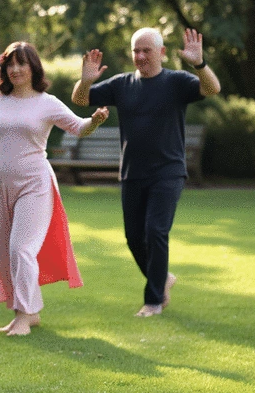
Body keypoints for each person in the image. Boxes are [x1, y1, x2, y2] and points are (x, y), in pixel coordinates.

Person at [0, 42, 109, 336]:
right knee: (6, 252)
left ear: (34, 67)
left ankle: (25, 315)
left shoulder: (48, 102)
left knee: (22, 249)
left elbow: (79, 127)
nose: (15, 69)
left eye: (22, 63)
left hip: (35, 183)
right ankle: (27, 313)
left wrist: (94, 121)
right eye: (10, 65)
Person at [72, 27, 221, 317]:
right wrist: (85, 80)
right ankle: (163, 278)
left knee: (155, 231)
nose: (140, 56)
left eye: (146, 50)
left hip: (168, 171)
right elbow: (80, 100)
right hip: (132, 172)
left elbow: (212, 89)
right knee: (133, 237)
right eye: (135, 51)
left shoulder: (177, 81)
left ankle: (153, 301)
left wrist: (199, 64)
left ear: (162, 52)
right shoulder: (121, 84)